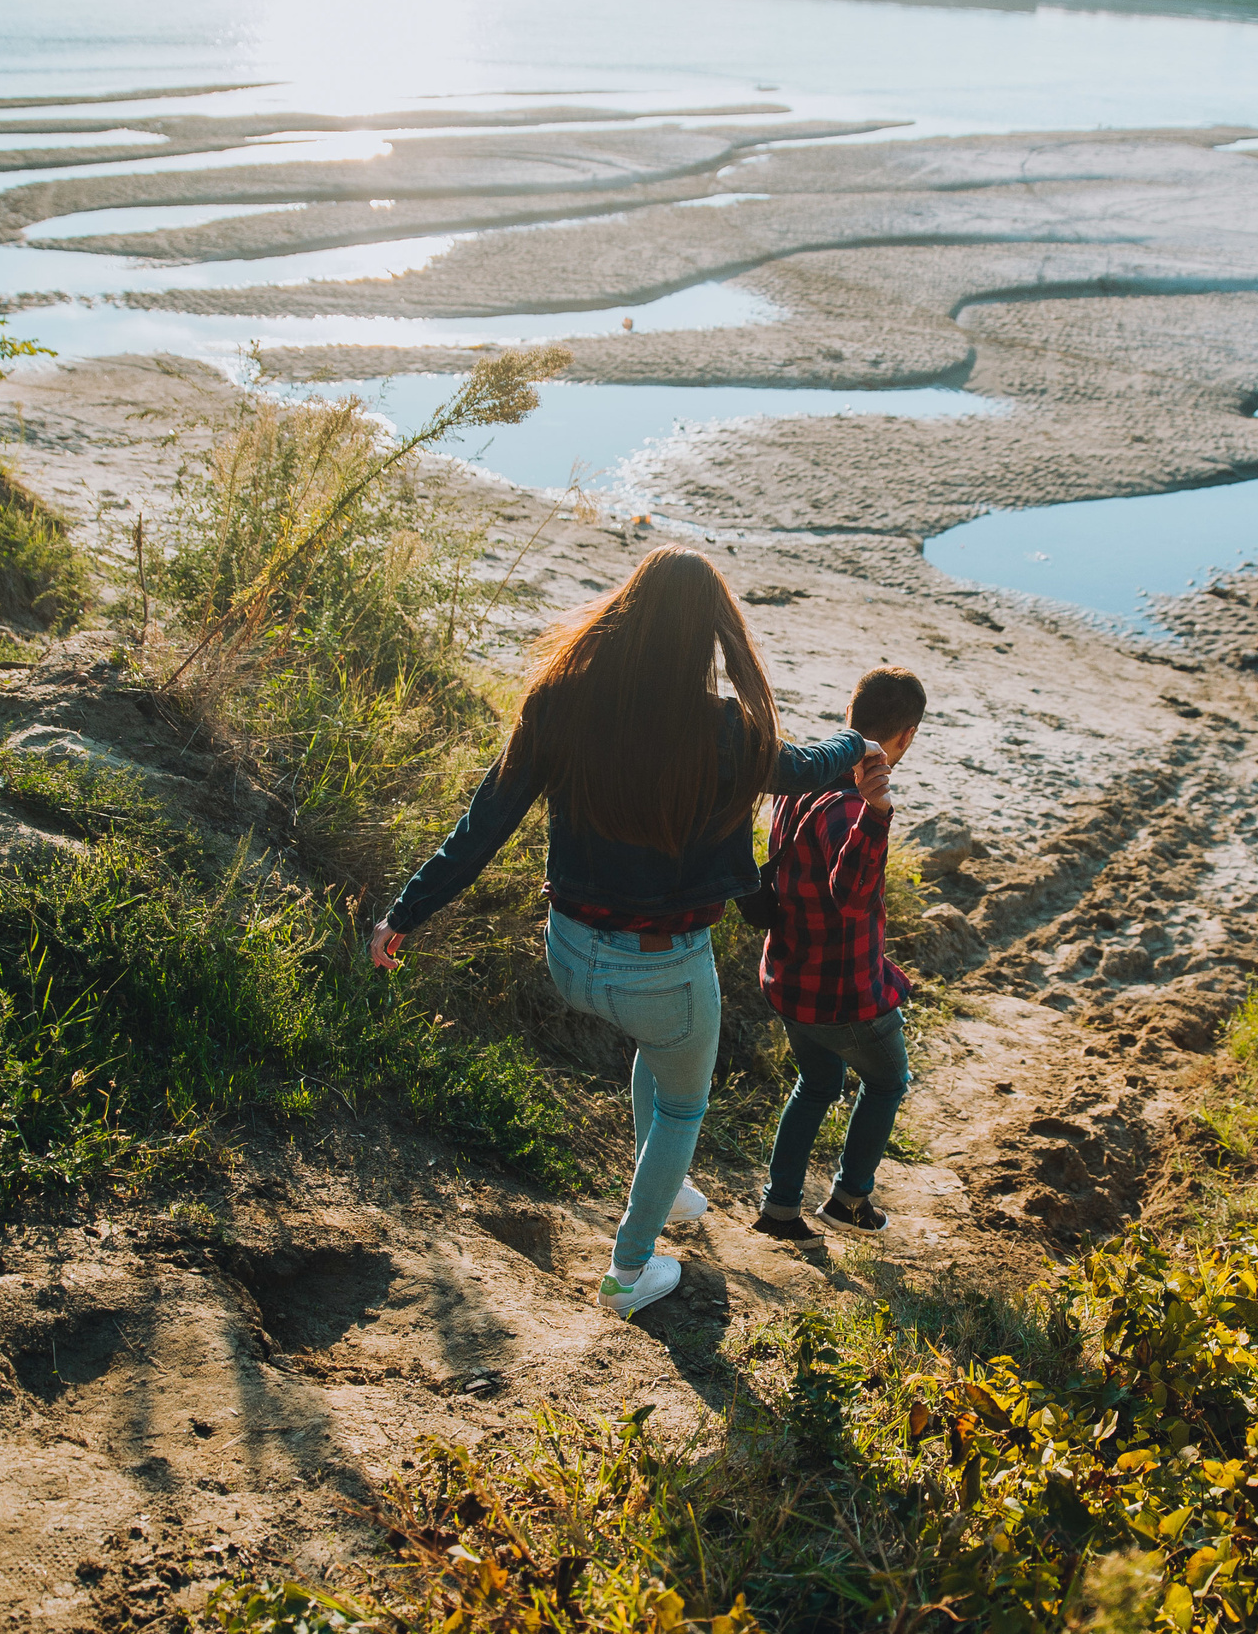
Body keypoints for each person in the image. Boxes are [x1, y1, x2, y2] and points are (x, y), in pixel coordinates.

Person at [368, 547, 877, 1318]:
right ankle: (628, 1273)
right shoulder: (724, 730)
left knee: (659, 1052)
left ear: (626, 611)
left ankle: (665, 1188)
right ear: (709, 633)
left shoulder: (558, 701)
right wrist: (857, 744)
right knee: (681, 1105)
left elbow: (483, 827)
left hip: (569, 956)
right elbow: (801, 766)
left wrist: (402, 913)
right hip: (663, 971)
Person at [751, 667, 927, 1243]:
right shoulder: (854, 807)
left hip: (791, 981)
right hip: (845, 994)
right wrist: (877, 815)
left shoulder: (808, 778)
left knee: (818, 1085)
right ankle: (850, 1200)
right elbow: (852, 899)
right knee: (887, 1082)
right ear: (904, 736)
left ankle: (779, 1209)